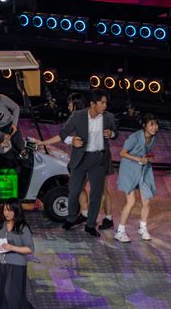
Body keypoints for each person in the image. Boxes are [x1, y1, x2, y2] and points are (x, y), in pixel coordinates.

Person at [61, 92, 116, 236]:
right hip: (81, 157)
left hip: (99, 159)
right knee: (74, 191)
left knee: (96, 194)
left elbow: (115, 133)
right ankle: (71, 218)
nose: (105, 106)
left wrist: (112, 134)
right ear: (92, 104)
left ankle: (91, 225)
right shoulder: (78, 115)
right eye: (102, 102)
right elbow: (63, 133)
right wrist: (71, 140)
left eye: (106, 103)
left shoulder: (108, 117)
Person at [114, 115, 159, 243]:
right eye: (151, 124)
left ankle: (142, 228)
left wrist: (146, 158)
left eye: (156, 124)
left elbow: (145, 152)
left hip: (143, 170)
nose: (154, 127)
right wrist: (138, 158)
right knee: (131, 201)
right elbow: (122, 153)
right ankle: (120, 231)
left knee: (146, 201)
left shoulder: (153, 138)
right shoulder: (134, 137)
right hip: (129, 170)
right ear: (144, 125)